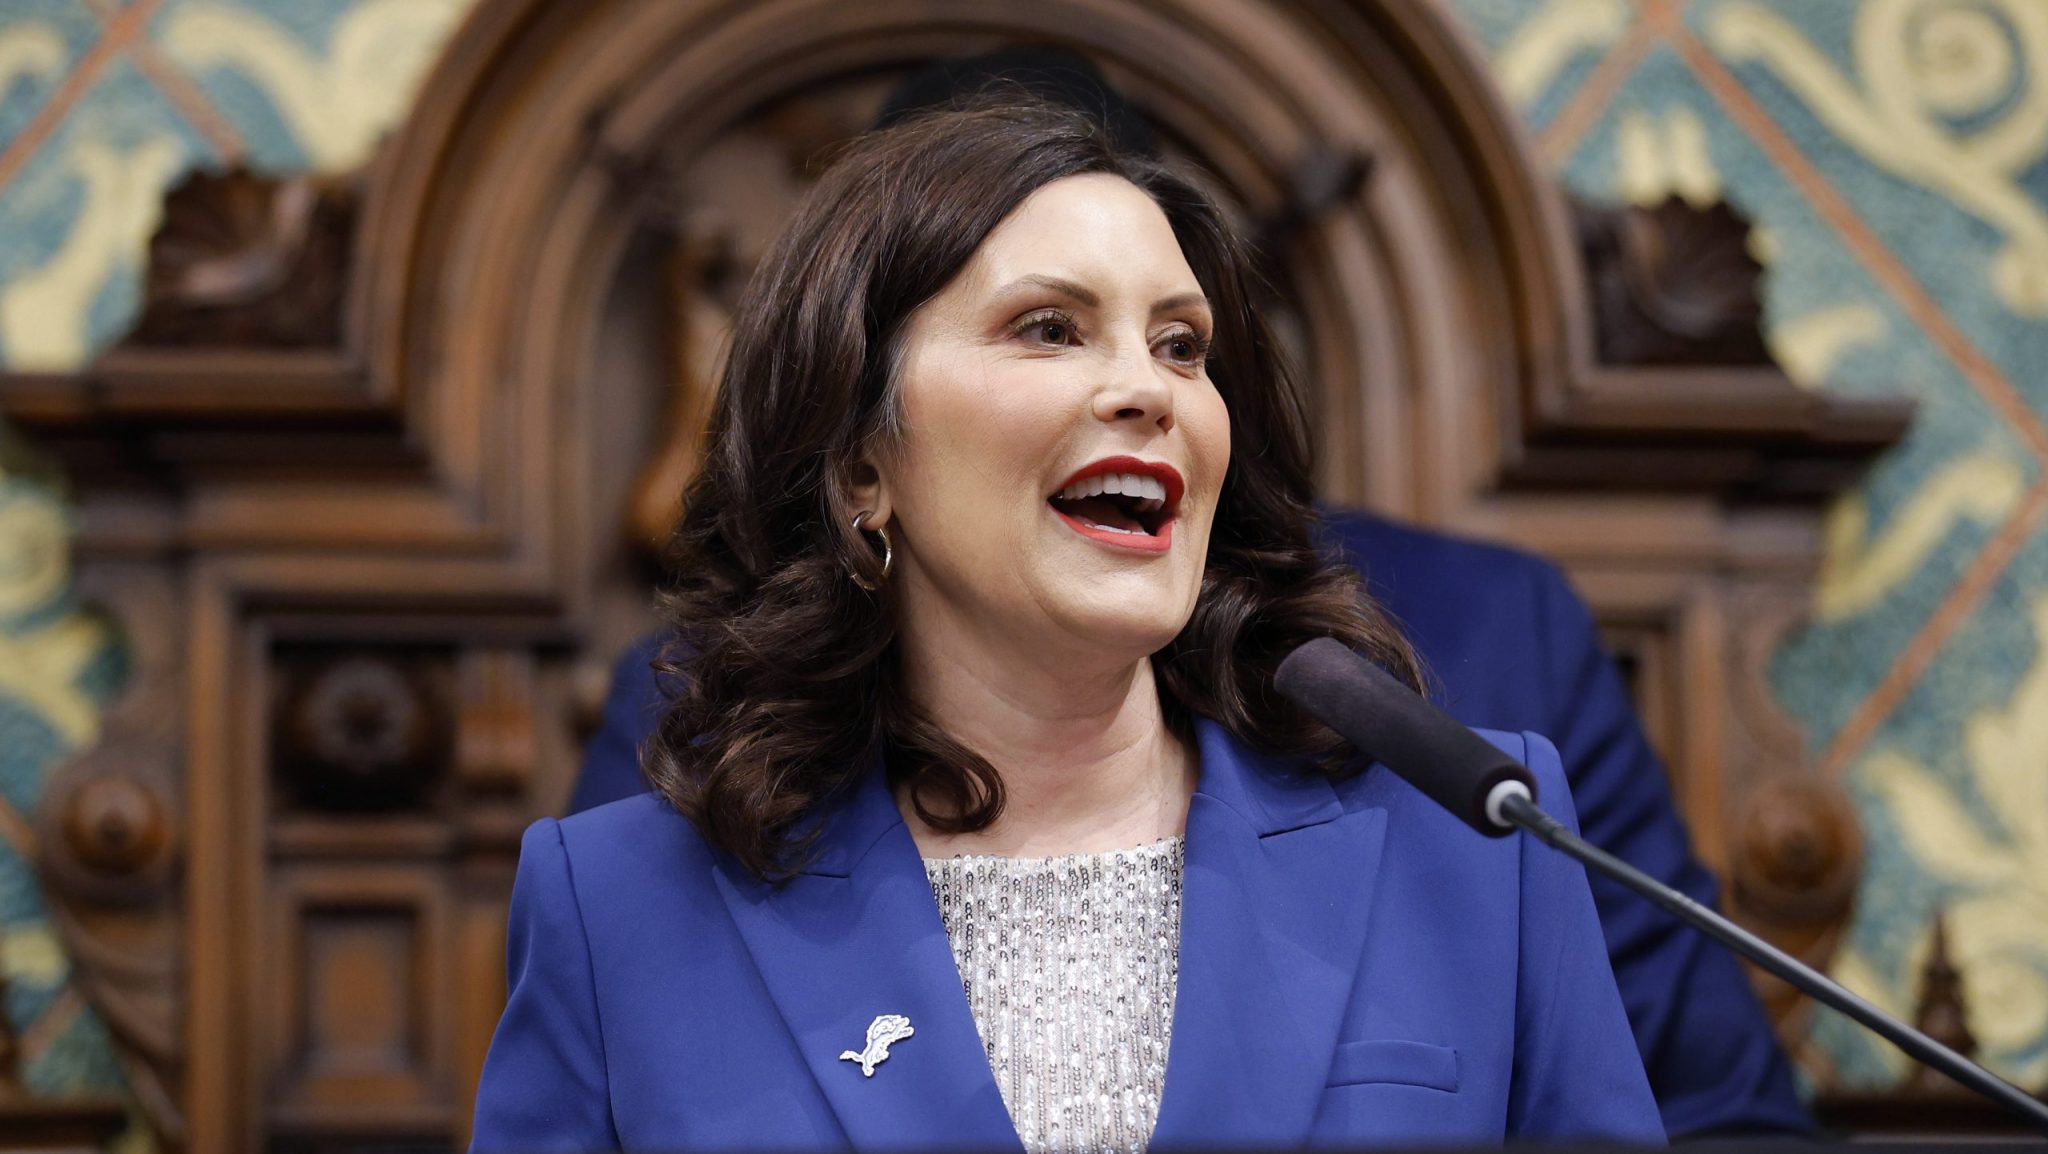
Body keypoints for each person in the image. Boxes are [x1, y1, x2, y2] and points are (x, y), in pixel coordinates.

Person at [568, 51, 1811, 1141]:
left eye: (1180, 342)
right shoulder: (619, 896)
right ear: (859, 462)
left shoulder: (1479, 835)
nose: (1147, 387)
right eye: (1048, 326)